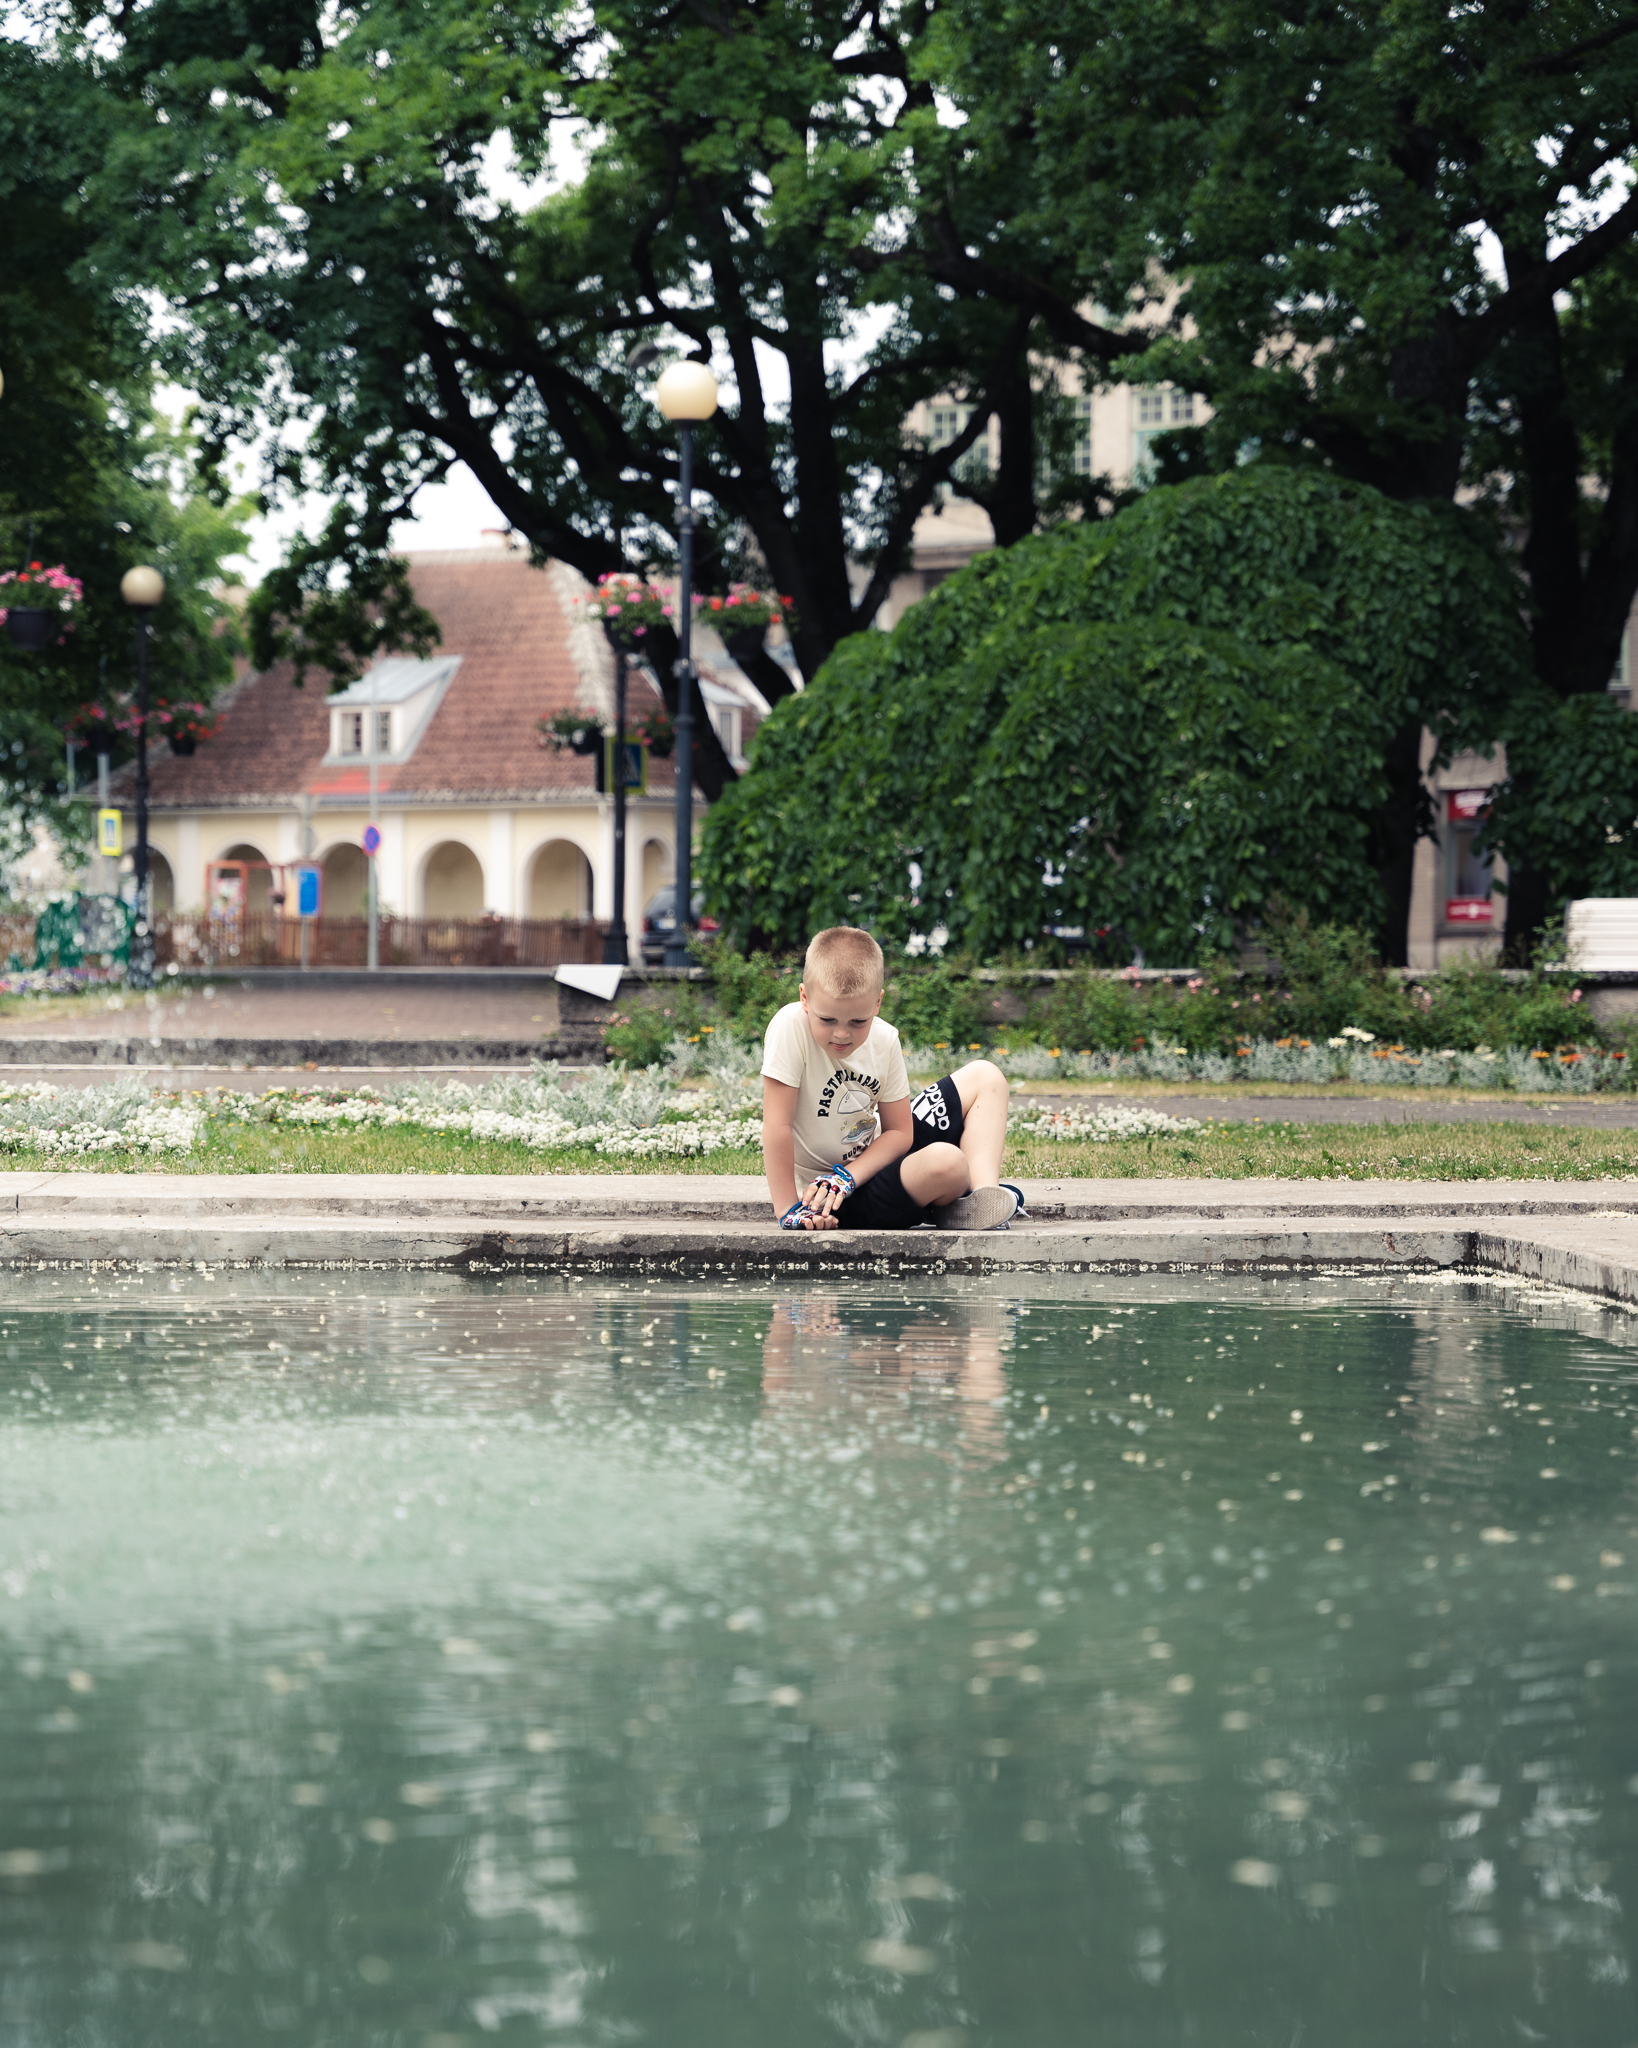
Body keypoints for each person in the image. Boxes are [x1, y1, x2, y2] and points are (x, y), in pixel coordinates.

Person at [761, 924, 1025, 1232]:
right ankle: (945, 1196)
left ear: (877, 1003)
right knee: (948, 1162)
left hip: (868, 1168)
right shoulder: (790, 1027)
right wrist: (788, 1209)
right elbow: (777, 1126)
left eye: (858, 1021)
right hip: (832, 1199)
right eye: (827, 1019)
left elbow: (900, 1132)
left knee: (986, 1075)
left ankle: (981, 1203)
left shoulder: (885, 1039)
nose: (842, 1033)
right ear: (805, 999)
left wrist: (849, 1176)